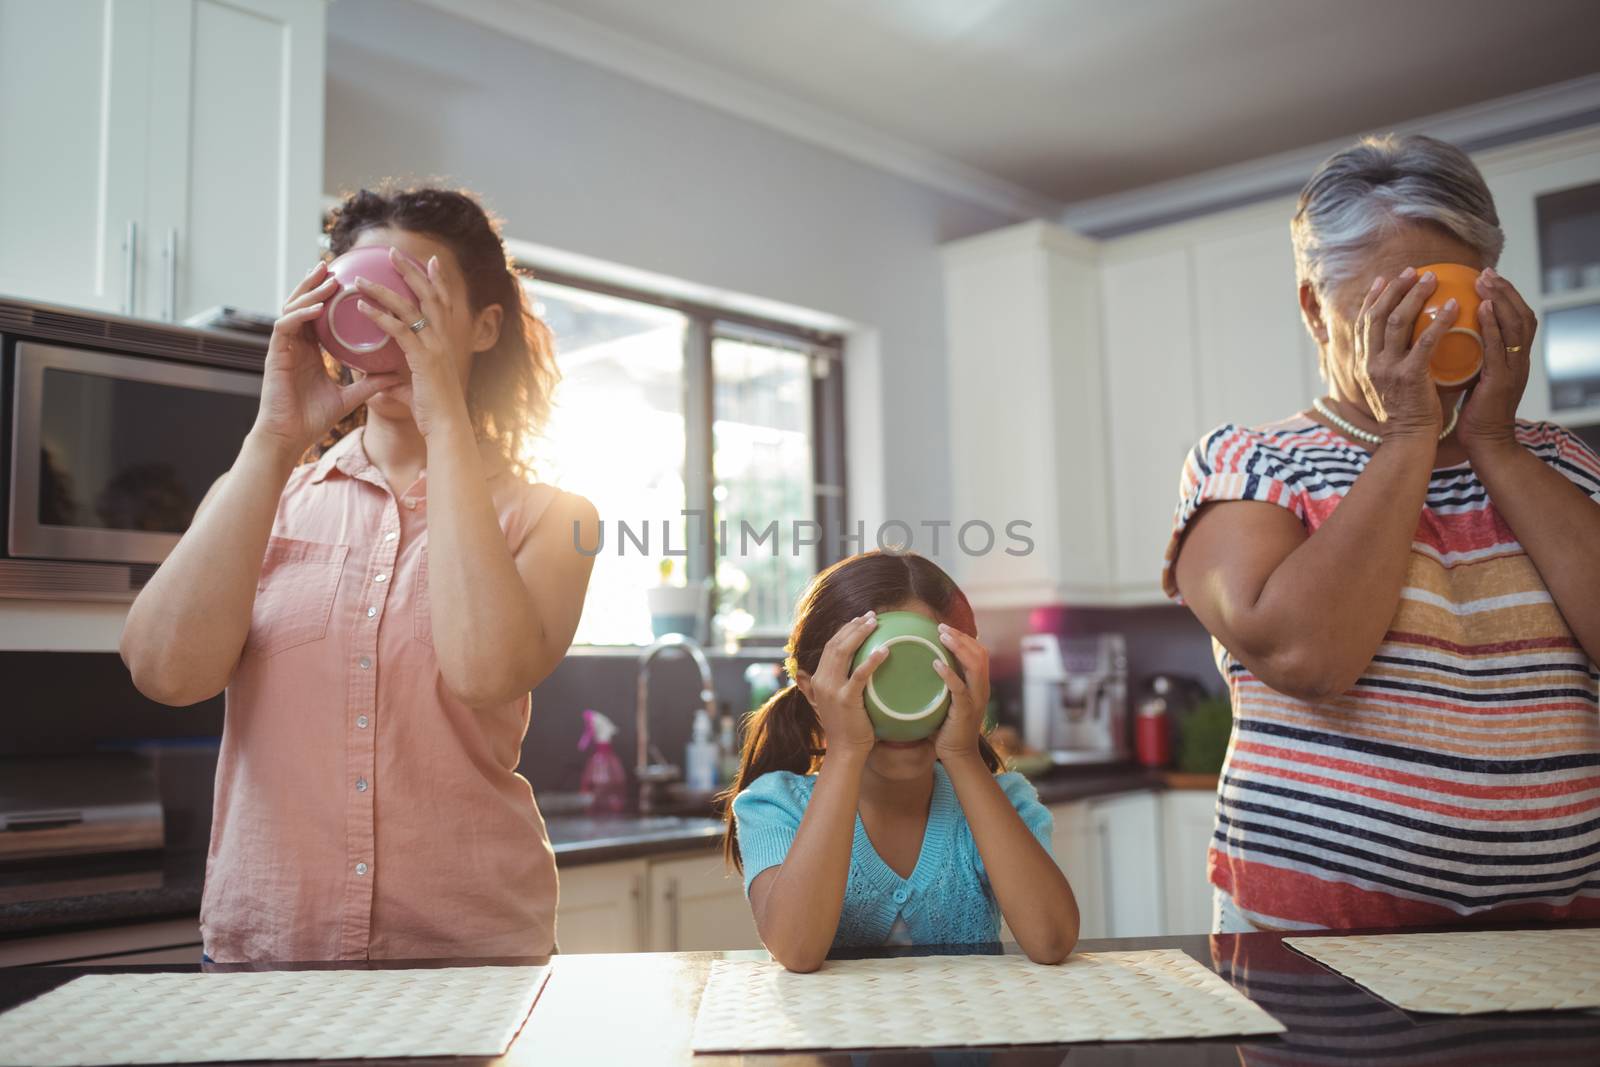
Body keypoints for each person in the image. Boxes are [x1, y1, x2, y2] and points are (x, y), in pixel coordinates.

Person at [120, 185, 599, 961]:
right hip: (270, 955)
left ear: (482, 326)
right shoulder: (258, 495)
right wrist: (276, 437)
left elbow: (486, 671)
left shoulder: (560, 516)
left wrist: (442, 414)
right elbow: (164, 672)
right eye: (364, 291)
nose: (387, 314)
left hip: (467, 956)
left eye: (416, 292)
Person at [1165, 135, 1600, 932]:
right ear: (1314, 310)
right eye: (1388, 309)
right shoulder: (1250, 462)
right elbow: (1308, 656)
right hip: (1316, 947)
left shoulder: (1556, 460)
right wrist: (1409, 433)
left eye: (1448, 300)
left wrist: (1493, 442)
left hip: (1560, 938)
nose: (1426, 334)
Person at [722, 550, 1080, 972]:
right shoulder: (776, 806)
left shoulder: (1002, 801)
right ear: (814, 691)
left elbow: (1052, 941)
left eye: (930, 674)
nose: (901, 710)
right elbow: (797, 950)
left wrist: (962, 755)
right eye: (870, 678)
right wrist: (847, 750)